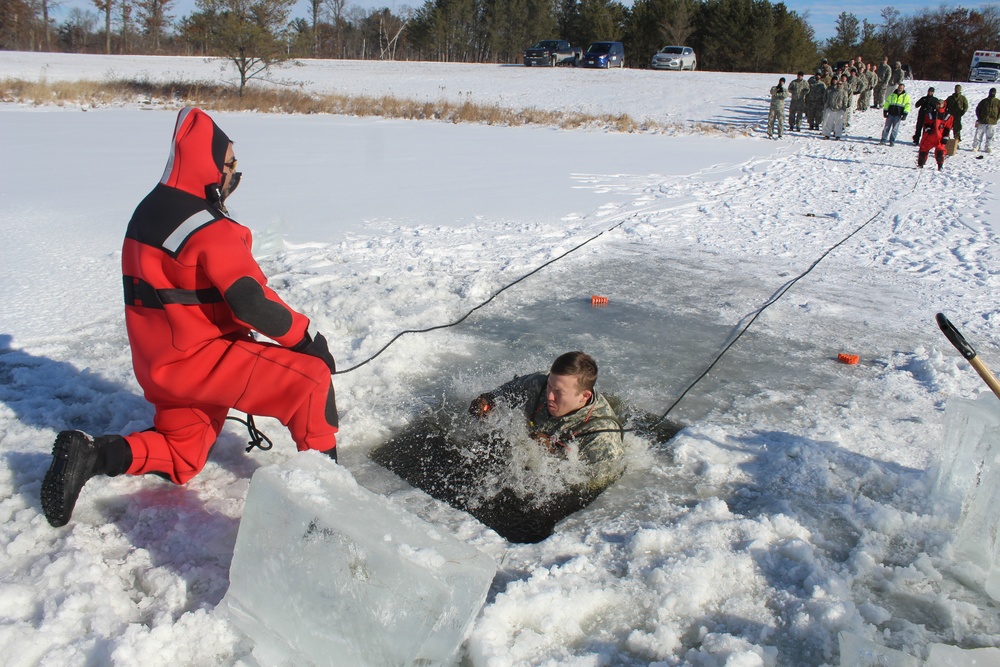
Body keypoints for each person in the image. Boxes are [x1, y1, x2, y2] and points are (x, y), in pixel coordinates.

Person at [41, 107, 340, 528]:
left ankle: (92, 456)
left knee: (182, 454)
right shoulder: (210, 228)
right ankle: (330, 505)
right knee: (310, 381)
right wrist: (308, 341)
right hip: (202, 361)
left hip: (160, 365)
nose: (235, 173)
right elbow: (251, 303)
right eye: (230, 163)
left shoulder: (149, 211)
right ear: (208, 165)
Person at [468, 351, 624, 488]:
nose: (549, 396)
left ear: (584, 396)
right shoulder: (541, 382)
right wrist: (487, 400)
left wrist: (553, 455)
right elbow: (505, 392)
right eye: (550, 386)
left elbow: (592, 484)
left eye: (558, 392)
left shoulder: (602, 437)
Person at [917, 99, 954, 170]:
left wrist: (945, 137)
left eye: (940, 104)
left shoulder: (948, 116)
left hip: (940, 137)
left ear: (944, 105)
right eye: (937, 104)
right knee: (923, 150)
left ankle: (940, 166)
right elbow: (926, 123)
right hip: (929, 136)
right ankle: (920, 164)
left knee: (940, 152)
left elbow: (947, 128)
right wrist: (928, 129)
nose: (938, 105)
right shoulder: (930, 114)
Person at [880, 82, 911, 146]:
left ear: (903, 89)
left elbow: (907, 106)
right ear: (898, 87)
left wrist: (905, 114)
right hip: (890, 114)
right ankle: (883, 140)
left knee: (895, 129)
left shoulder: (906, 97)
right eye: (899, 87)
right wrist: (885, 111)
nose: (900, 89)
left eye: (901, 88)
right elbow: (887, 103)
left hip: (898, 115)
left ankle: (892, 141)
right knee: (886, 128)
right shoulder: (892, 95)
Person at [973, 88, 1000, 153]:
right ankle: (976, 146)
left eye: (993, 92)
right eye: (991, 92)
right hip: (982, 121)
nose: (992, 93)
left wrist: (996, 118)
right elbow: (978, 109)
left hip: (992, 122)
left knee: (990, 135)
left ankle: (988, 147)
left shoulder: (997, 102)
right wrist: (979, 118)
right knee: (978, 134)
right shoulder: (984, 101)